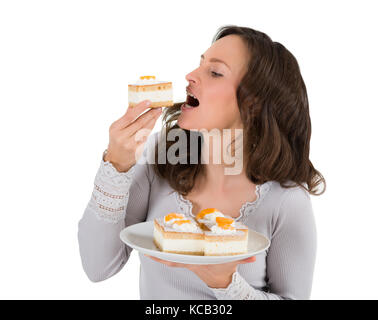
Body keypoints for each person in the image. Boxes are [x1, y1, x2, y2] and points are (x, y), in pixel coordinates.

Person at [77, 25, 326, 300]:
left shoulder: (287, 200)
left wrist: (227, 285)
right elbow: (97, 267)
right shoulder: (161, 158)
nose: (190, 76)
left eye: (215, 72)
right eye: (200, 64)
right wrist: (116, 167)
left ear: (253, 102)